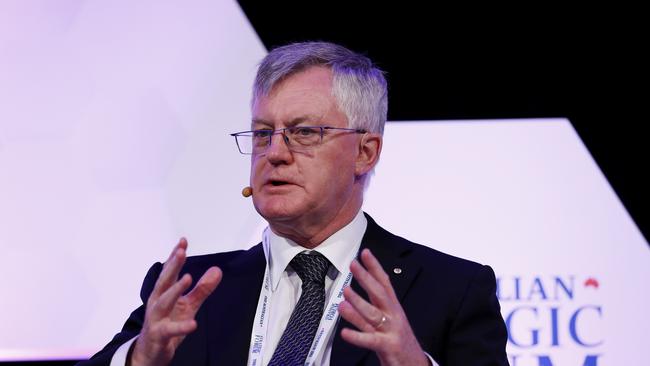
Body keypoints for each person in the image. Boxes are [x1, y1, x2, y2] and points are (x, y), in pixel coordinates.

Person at [79, 41, 508, 366]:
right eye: (263, 133)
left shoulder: (451, 290)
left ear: (365, 152)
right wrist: (140, 358)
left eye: (304, 133)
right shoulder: (189, 290)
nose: (275, 153)